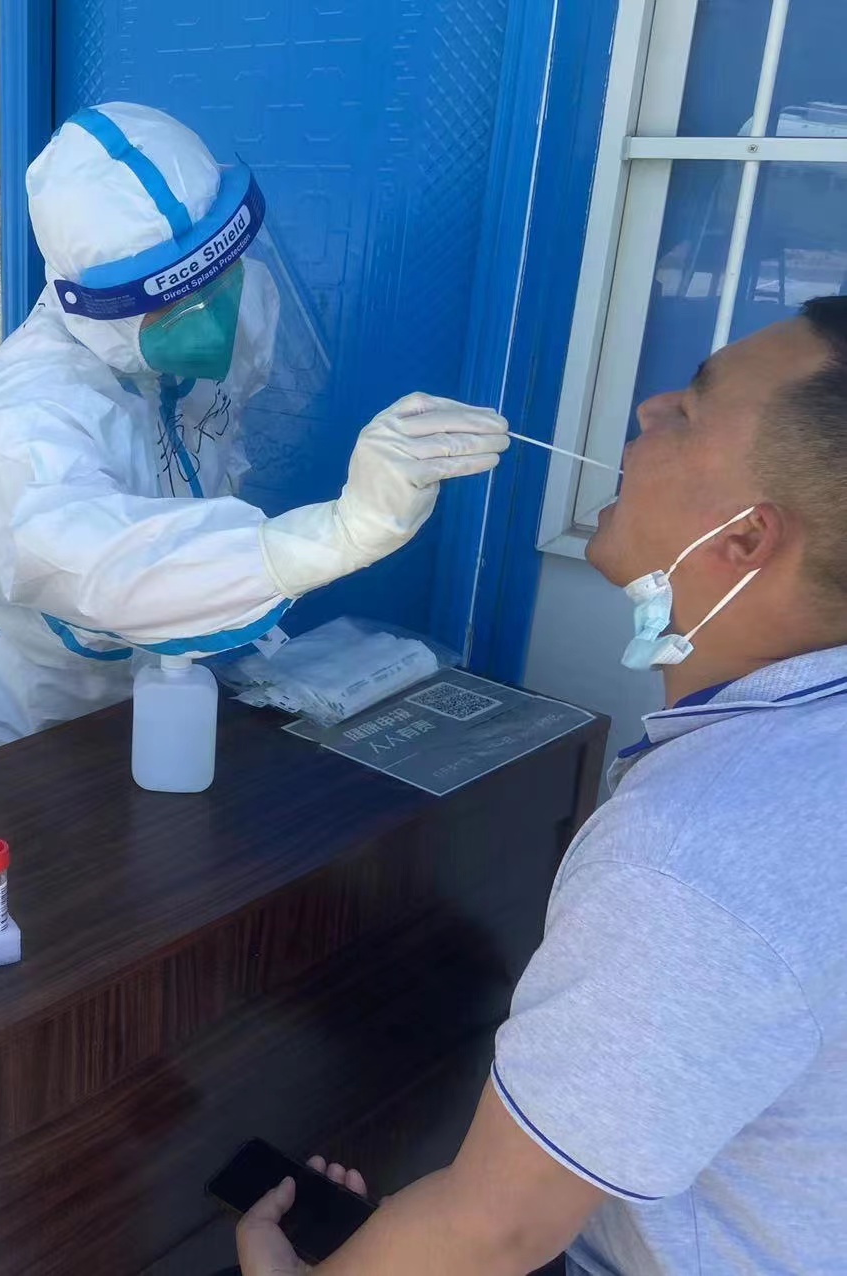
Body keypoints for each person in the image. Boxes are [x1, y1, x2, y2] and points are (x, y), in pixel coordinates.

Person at [236, 296, 847, 1275]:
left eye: (690, 409)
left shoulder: (692, 856)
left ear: (743, 541)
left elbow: (494, 1231)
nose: (648, 409)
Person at [0, 102, 510, 762]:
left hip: (168, 668)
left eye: (217, 277)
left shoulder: (243, 301)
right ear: (94, 305)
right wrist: (340, 531)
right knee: (31, 828)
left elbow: (231, 434)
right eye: (170, 302)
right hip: (34, 693)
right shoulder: (20, 421)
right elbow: (105, 570)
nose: (212, 320)